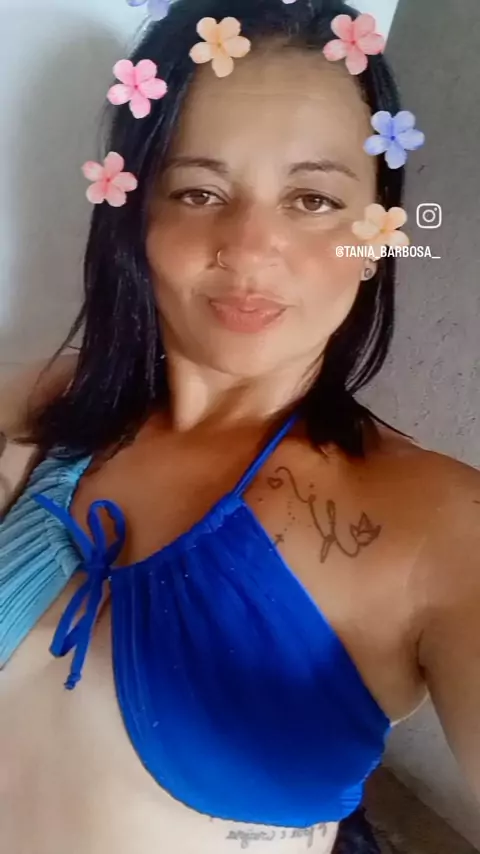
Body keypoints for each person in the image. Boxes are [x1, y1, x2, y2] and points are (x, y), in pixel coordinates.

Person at [1, 0, 479, 852]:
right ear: (136, 214)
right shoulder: (49, 406)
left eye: (312, 198)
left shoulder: (437, 527)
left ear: (377, 234)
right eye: (199, 191)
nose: (251, 249)